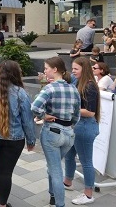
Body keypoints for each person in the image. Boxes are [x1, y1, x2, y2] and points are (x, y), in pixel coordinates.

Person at [0, 61, 36, 207]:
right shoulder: (20, 93)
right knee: (6, 172)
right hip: (14, 140)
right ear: (16, 74)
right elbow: (27, 120)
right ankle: (2, 204)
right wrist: (31, 140)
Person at [31, 56, 80, 207]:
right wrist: (69, 125)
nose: (44, 71)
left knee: (56, 170)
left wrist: (43, 116)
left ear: (55, 69)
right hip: (68, 134)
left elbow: (34, 107)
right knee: (54, 166)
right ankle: (53, 195)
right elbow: (76, 115)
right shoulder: (73, 88)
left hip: (52, 133)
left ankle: (59, 203)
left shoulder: (50, 88)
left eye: (46, 68)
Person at [64, 57, 100, 205]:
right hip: (77, 126)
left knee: (86, 162)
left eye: (75, 69)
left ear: (83, 69)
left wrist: (70, 109)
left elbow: (90, 112)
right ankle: (67, 182)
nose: (73, 71)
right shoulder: (77, 82)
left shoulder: (90, 86)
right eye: (72, 68)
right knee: (69, 154)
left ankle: (88, 194)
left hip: (85, 127)